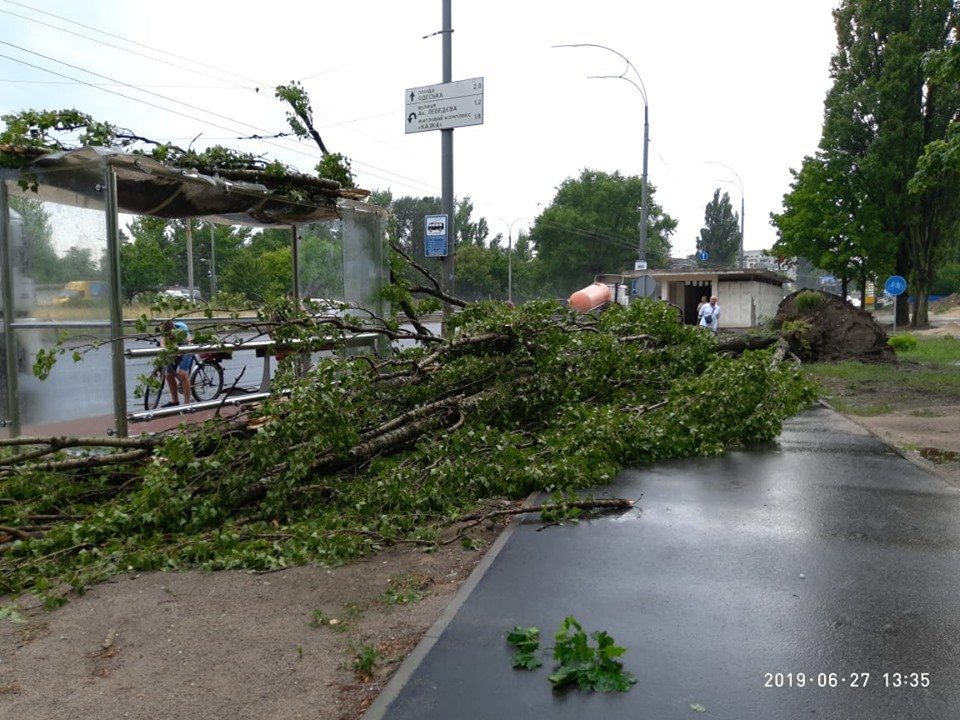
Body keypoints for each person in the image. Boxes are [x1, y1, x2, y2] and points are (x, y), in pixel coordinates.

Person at [161, 320, 193, 406]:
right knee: (168, 375)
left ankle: (187, 403)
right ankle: (174, 401)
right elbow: (163, 343)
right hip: (174, 350)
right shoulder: (165, 331)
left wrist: (181, 353)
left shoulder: (181, 329)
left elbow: (189, 341)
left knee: (182, 374)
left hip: (186, 348)